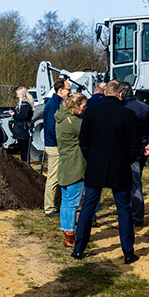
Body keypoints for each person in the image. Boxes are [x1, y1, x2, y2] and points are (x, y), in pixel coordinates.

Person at [73, 83, 141, 263]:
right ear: (120, 95)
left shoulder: (92, 113)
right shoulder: (128, 114)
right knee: (123, 210)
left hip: (96, 165)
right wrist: (126, 160)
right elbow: (136, 144)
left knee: (88, 206)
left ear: (105, 92)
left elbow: (83, 141)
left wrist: (92, 158)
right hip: (120, 166)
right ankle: (127, 252)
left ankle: (78, 248)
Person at [118, 83, 149, 227]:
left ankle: (134, 217)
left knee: (130, 185)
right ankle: (136, 216)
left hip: (128, 150)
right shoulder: (144, 107)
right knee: (136, 182)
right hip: (142, 149)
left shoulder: (122, 109)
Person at [56, 93, 88, 248]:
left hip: (64, 164)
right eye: (83, 106)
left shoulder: (61, 119)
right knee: (73, 203)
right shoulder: (73, 122)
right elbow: (89, 135)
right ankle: (70, 235)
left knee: (66, 200)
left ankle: (66, 231)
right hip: (75, 165)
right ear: (75, 106)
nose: (85, 108)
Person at [41, 79, 69, 217]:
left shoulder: (56, 102)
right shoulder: (53, 104)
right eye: (68, 90)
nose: (70, 92)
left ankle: (55, 205)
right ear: (60, 91)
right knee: (53, 177)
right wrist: (62, 142)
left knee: (57, 177)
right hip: (54, 145)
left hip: (55, 144)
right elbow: (53, 128)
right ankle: (49, 208)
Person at [7, 86, 33, 162]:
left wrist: (14, 115)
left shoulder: (25, 105)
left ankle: (26, 166)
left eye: (18, 94)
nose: (17, 96)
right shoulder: (23, 105)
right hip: (21, 130)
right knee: (23, 150)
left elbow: (23, 116)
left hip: (23, 131)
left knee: (24, 150)